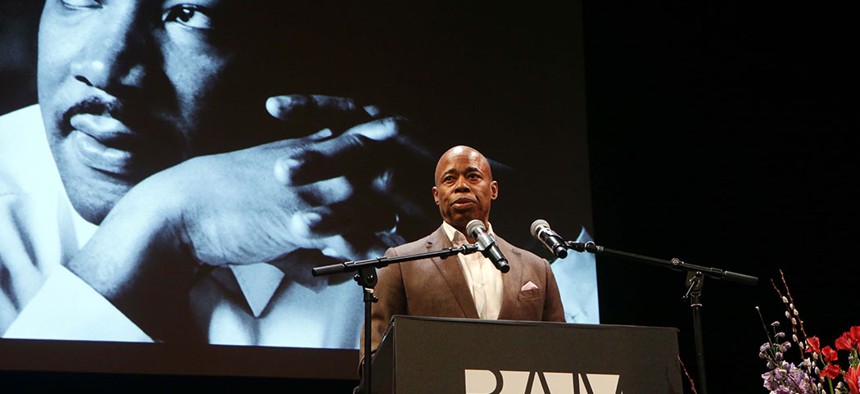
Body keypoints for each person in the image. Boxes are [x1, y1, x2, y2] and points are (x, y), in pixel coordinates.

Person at [0, 0, 436, 347]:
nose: (104, 69)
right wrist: (168, 226)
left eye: (190, 13)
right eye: (80, 0)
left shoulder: (405, 237)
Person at [360, 145, 565, 368]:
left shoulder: (537, 268)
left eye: (473, 176)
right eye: (449, 179)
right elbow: (373, 361)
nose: (461, 186)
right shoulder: (401, 263)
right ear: (436, 196)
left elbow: (561, 353)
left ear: (493, 190)